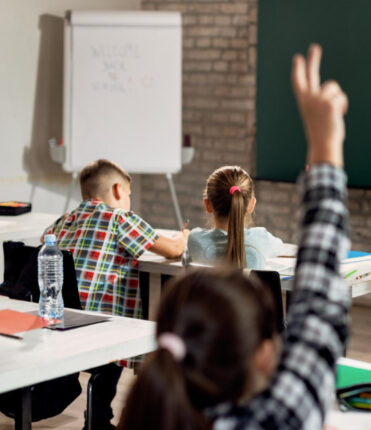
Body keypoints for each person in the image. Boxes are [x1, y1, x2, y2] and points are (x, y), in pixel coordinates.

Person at [117, 43, 351, 429]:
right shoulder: (276, 416)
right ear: (264, 354)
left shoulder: (150, 413)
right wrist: (325, 145)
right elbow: (318, 310)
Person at [43, 158, 188, 429]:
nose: (129, 200)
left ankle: (96, 419)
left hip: (63, 323)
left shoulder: (66, 220)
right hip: (102, 329)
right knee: (115, 349)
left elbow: (44, 240)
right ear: (119, 190)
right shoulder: (119, 218)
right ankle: (99, 420)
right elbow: (173, 250)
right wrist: (184, 237)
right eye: (129, 194)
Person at [188, 165, 285, 269]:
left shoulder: (195, 239)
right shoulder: (262, 238)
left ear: (207, 204)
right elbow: (282, 248)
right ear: (251, 205)